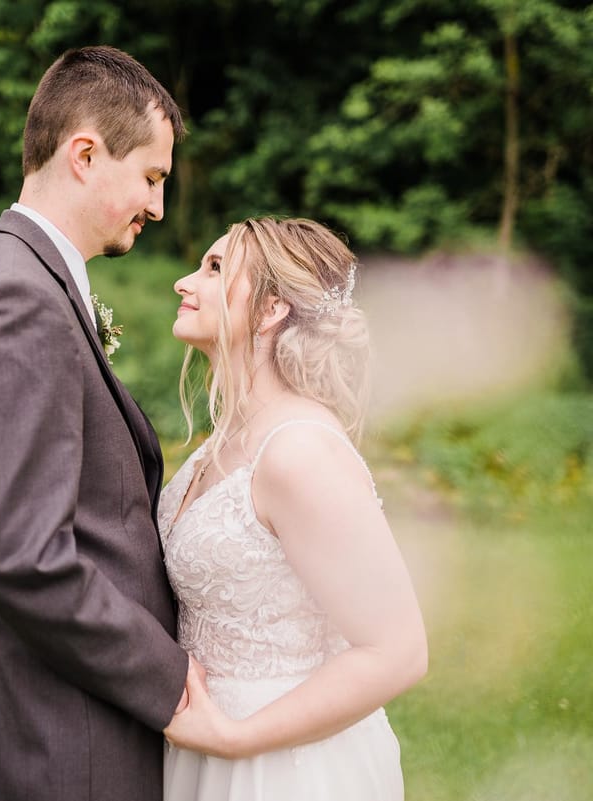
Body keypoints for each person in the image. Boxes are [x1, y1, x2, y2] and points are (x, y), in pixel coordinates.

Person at [0, 45, 200, 801]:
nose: (158, 207)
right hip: (49, 744)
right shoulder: (15, 303)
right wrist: (169, 678)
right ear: (85, 154)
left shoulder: (23, 284)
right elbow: (21, 554)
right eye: (151, 177)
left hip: (55, 723)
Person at [159, 217, 429, 800]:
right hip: (202, 746)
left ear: (270, 309)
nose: (185, 282)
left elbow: (399, 651)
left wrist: (236, 739)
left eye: (213, 269)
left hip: (280, 765)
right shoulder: (224, 439)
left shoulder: (300, 450)